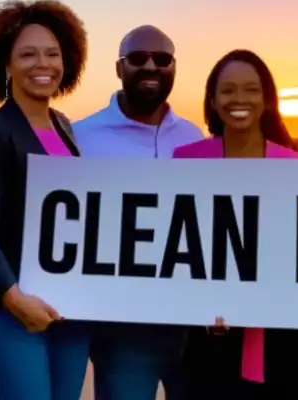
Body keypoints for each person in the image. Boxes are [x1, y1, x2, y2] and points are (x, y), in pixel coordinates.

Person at [0, 0, 91, 400]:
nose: (43, 64)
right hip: (6, 310)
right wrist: (14, 297)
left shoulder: (64, 128)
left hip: (66, 309)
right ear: (6, 64)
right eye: (28, 54)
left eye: (52, 54)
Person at [73, 25, 204, 400]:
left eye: (161, 59)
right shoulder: (82, 137)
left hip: (192, 327)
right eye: (137, 58)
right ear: (119, 68)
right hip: (123, 331)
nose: (150, 66)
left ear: (174, 68)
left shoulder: (194, 138)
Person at [173, 49, 298, 400]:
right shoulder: (186, 161)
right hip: (204, 338)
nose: (239, 99)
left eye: (251, 89)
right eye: (228, 90)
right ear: (213, 100)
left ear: (266, 99)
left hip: (281, 342)